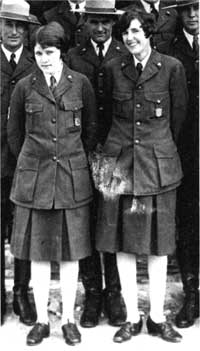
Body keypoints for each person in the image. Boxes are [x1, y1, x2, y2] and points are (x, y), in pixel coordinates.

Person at [93, 8, 188, 343]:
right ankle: (132, 318)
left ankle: (158, 318)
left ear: (148, 32)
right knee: (123, 244)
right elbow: (105, 120)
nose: (130, 38)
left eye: (136, 31)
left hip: (158, 167)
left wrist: (157, 149)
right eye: (125, 33)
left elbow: (178, 119)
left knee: (159, 246)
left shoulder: (171, 68)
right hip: (120, 168)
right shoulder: (111, 69)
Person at [7, 21, 97, 346]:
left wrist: (70, 163)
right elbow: (15, 135)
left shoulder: (80, 84)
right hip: (36, 183)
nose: (44, 58)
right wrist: (36, 164)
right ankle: (43, 320)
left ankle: (69, 319)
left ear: (62, 52)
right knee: (39, 255)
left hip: (72, 183)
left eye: (50, 52)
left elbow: (90, 133)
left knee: (72, 255)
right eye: (39, 52)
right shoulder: (24, 87)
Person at [66, 0, 127, 328]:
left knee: (112, 222)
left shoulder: (124, 52)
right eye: (94, 21)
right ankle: (92, 293)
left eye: (106, 21)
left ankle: (114, 293)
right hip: (84, 153)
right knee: (87, 222)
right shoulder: (74, 56)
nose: (100, 27)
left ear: (112, 24)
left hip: (117, 154)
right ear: (85, 23)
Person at [0, 0, 40, 326]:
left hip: (27, 163)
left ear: (27, 30)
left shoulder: (36, 62)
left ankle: (21, 294)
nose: (14, 32)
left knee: (23, 232)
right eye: (8, 25)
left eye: (20, 26)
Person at [167, 0, 199, 328]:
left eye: (198, 8)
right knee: (188, 223)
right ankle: (191, 294)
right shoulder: (171, 52)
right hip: (187, 152)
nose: (193, 15)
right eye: (187, 9)